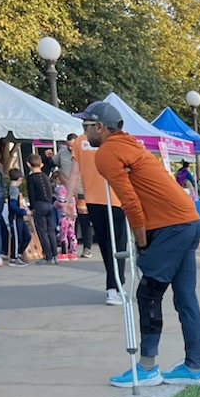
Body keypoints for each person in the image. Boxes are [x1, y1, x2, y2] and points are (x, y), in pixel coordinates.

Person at [81, 100, 200, 387]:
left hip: (170, 226)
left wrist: (142, 242)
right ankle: (193, 367)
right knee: (185, 296)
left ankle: (147, 367)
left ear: (100, 127)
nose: (83, 132)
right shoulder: (131, 145)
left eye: (86, 125)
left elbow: (129, 201)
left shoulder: (107, 153)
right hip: (189, 220)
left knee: (148, 293)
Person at [68, 124, 127, 301]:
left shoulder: (80, 142)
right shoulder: (110, 138)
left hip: (93, 199)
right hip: (115, 198)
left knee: (105, 244)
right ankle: (116, 285)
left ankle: (113, 287)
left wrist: (68, 200)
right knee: (118, 244)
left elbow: (74, 173)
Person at [26, 155, 58, 264]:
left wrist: (32, 208)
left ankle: (48, 255)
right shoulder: (45, 176)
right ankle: (55, 254)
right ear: (41, 165)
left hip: (39, 205)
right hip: (49, 204)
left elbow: (31, 194)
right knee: (51, 230)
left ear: (28, 165)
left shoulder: (31, 178)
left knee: (42, 231)